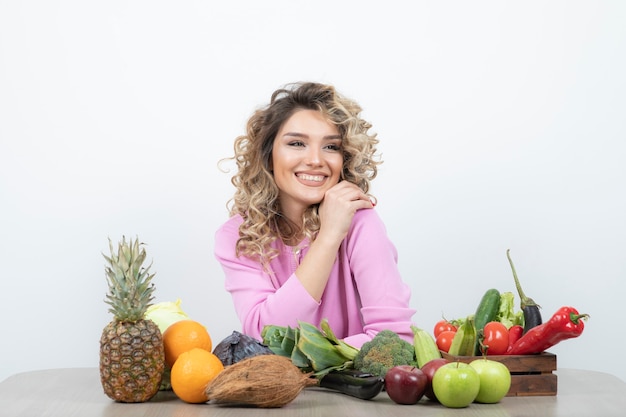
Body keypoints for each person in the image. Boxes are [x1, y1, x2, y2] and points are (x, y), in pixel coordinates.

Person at [214, 81, 415, 348]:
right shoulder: (239, 236)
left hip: (350, 389)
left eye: (331, 147)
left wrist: (334, 232)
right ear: (267, 155)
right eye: (297, 143)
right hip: (280, 389)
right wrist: (328, 238)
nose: (316, 160)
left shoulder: (360, 223)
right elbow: (267, 336)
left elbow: (394, 340)